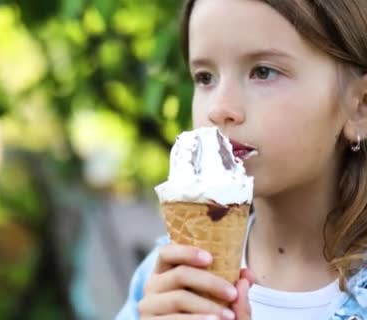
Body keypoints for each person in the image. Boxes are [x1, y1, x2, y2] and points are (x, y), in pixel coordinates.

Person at [116, 0, 367, 319]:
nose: (218, 109)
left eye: (263, 72)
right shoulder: (166, 281)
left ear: (360, 105)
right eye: (205, 77)